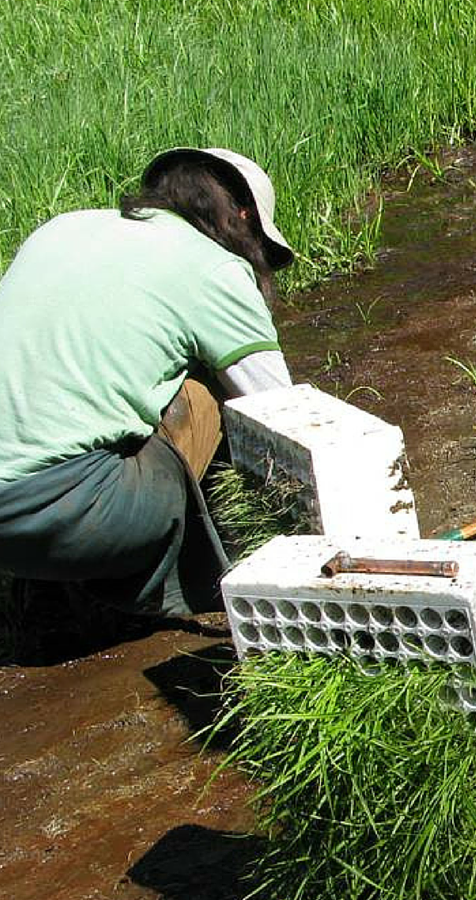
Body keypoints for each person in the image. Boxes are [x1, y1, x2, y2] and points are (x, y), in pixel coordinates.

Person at [0, 147, 296, 618]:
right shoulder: (214, 267)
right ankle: (204, 576)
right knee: (209, 390)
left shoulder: (63, 227)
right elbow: (285, 415)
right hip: (72, 513)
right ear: (242, 216)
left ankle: (46, 594)